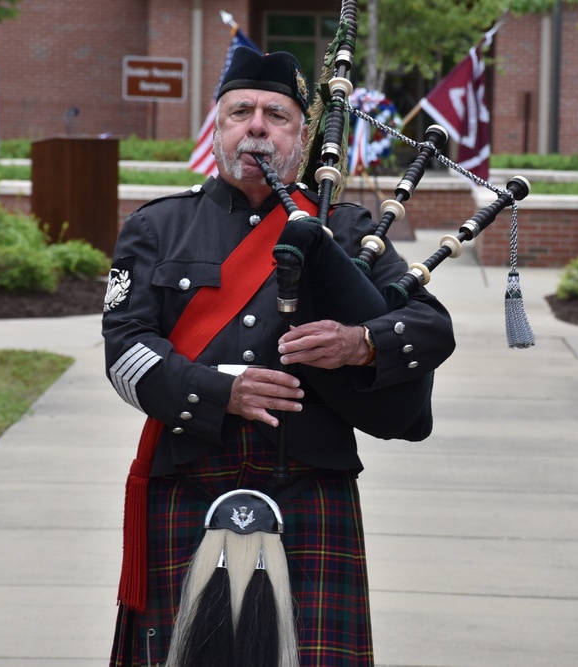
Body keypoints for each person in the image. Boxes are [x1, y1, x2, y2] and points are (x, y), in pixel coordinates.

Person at [102, 46, 455, 666]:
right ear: (217, 126)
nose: (257, 125)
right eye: (240, 111)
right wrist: (220, 393)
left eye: (277, 114)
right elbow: (125, 350)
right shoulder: (157, 227)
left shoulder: (345, 228)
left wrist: (360, 344)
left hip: (309, 481)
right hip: (189, 472)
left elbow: (428, 326)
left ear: (303, 134)